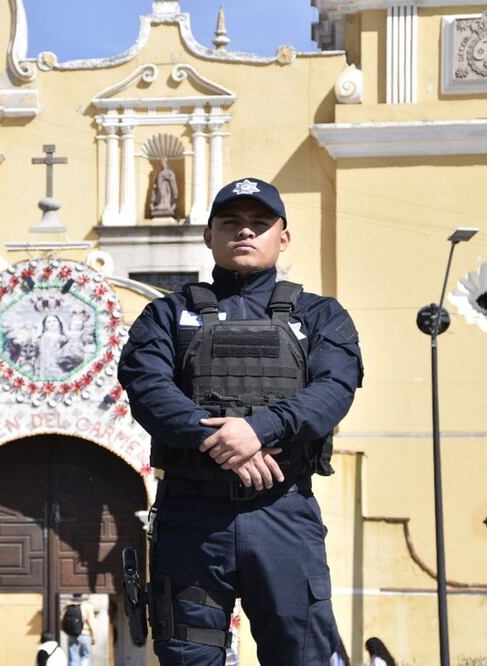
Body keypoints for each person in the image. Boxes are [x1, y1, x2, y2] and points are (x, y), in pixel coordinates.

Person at [118, 177, 364, 665]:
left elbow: (333, 391)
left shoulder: (321, 316)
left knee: (301, 654)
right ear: (209, 236)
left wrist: (259, 430)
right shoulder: (167, 315)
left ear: (284, 236)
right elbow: (148, 390)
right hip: (192, 521)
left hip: (283, 513)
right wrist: (222, 443)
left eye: (259, 223)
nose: (245, 233)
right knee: (189, 657)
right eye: (231, 223)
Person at [63, 594, 95, 666]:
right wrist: (94, 637)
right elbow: (92, 623)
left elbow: (62, 620)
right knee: (85, 656)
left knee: (73, 657)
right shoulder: (87, 606)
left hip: (72, 635)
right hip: (85, 634)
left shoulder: (68, 606)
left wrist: (67, 632)